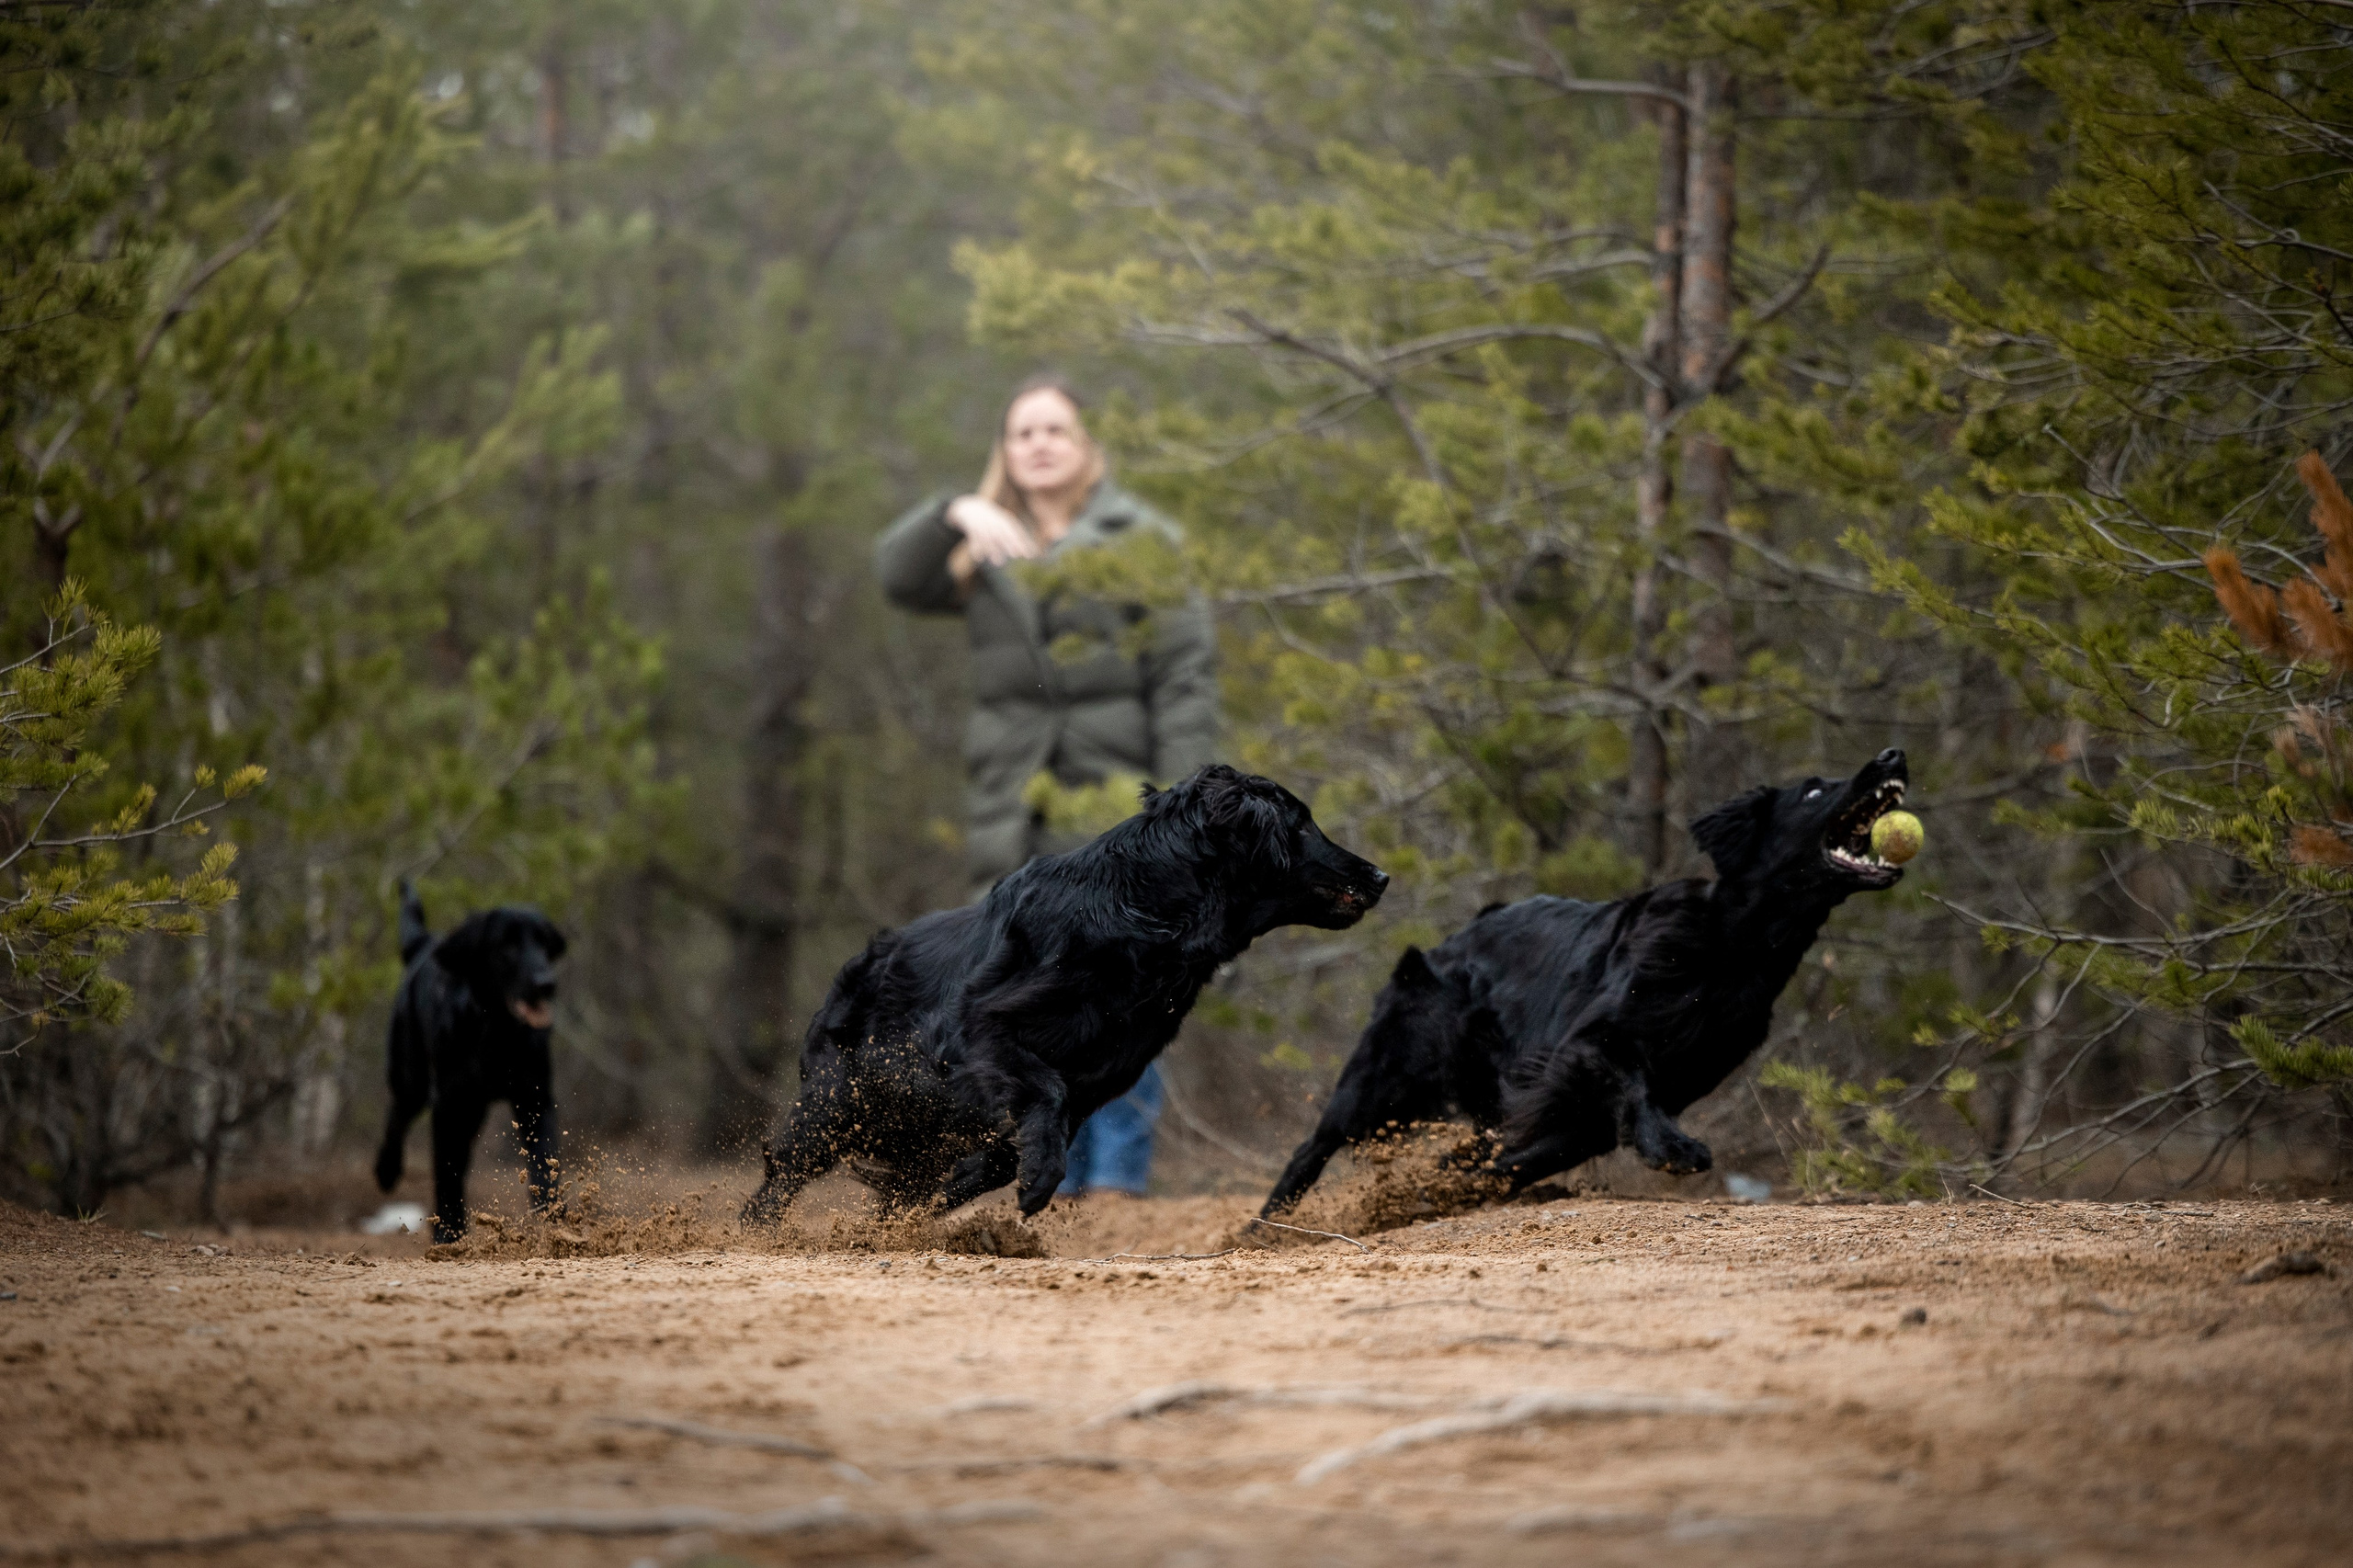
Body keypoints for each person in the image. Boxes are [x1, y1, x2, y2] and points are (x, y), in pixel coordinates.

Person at [875, 374, 1217, 1196]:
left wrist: (1184, 818)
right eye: (1021, 432)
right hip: (1013, 810)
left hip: (1115, 807)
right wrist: (955, 510)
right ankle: (1045, 1179)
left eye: (1054, 429)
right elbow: (897, 576)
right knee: (1023, 1002)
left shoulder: (1143, 540)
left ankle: (1119, 1186)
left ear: (1089, 445)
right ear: (1005, 450)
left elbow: (1185, 681)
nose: (1037, 443)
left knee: (1124, 997)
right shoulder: (982, 543)